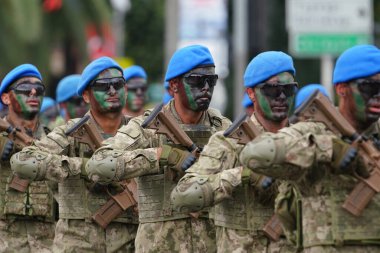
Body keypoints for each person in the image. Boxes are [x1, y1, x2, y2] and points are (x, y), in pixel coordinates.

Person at [86, 45, 231, 252]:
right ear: (174, 85)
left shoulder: (223, 128)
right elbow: (98, 164)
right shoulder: (148, 127)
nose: (206, 87)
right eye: (197, 81)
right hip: (159, 245)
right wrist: (161, 155)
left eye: (211, 80)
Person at [239, 45, 380, 252]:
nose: (378, 96)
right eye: (370, 88)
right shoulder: (313, 132)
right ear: (341, 89)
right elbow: (253, 154)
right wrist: (328, 148)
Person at [171, 51, 298, 252]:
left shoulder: (304, 141)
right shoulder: (228, 144)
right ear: (251, 93)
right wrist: (242, 175)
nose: (281, 96)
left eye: (288, 89)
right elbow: (183, 196)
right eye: (272, 90)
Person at [11, 57, 138, 252]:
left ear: (125, 90)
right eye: (103, 86)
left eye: (118, 84)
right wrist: (85, 168)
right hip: (78, 242)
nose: (112, 91)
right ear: (86, 96)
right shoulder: (70, 133)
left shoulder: (140, 132)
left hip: (130, 242)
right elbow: (25, 160)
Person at [0, 64, 56, 252]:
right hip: (4, 234)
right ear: (6, 98)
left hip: (48, 237)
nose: (33, 92)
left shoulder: (54, 138)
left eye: (39, 89)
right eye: (24, 88)